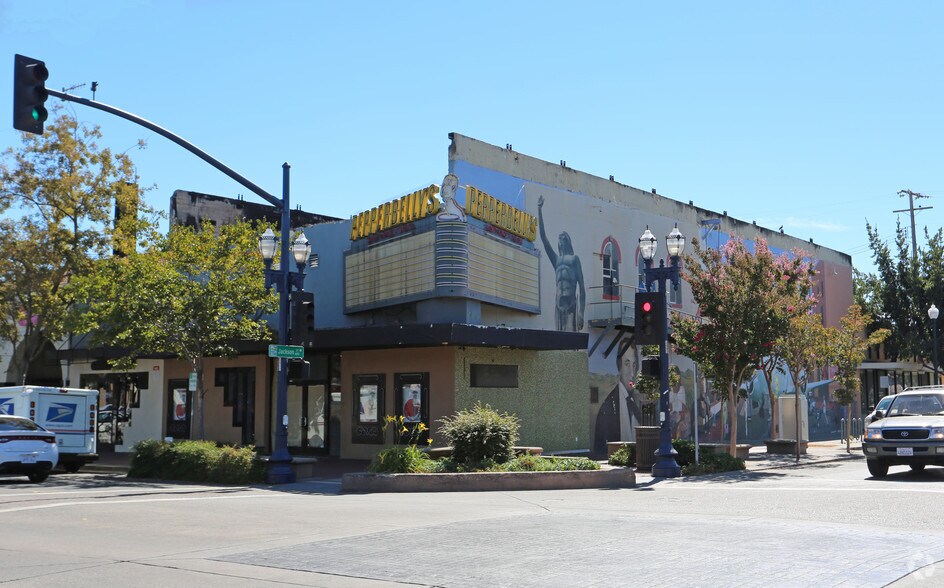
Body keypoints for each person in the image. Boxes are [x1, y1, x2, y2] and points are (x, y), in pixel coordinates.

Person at [537, 194, 585, 331]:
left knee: (572, 344)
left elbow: (581, 288)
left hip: (571, 304)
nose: (560, 240)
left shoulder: (574, 259)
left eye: (563, 238)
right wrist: (539, 209)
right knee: (559, 343)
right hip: (558, 304)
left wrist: (581, 312)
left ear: (567, 241)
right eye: (559, 238)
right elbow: (543, 238)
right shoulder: (556, 260)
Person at [594, 339, 643, 454]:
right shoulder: (608, 406)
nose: (632, 373)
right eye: (627, 364)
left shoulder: (635, 404)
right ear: (619, 366)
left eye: (634, 365)